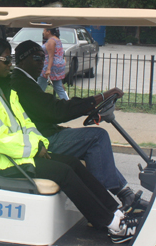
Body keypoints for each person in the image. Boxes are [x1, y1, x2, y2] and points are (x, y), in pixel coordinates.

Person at [0, 37, 141, 244]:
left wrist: (39, 143)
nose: (11, 65)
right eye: (6, 60)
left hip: (12, 157)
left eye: (11, 59)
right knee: (63, 172)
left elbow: (25, 123)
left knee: (70, 163)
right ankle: (113, 225)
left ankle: (115, 212)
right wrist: (35, 148)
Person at [10, 40, 148, 212]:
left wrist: (89, 105)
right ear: (22, 60)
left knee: (92, 144)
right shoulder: (22, 84)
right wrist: (98, 98)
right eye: (37, 58)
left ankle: (125, 195)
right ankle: (103, 203)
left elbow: (51, 109)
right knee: (97, 137)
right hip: (41, 142)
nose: (42, 63)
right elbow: (56, 111)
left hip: (44, 133)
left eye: (44, 58)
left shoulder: (25, 81)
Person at [37, 27, 69, 100]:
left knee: (40, 85)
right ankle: (67, 102)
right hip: (57, 66)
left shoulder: (51, 41)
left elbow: (51, 56)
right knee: (58, 87)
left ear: (49, 32)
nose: (43, 32)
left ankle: (36, 101)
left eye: (44, 30)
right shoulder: (57, 40)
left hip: (50, 66)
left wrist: (48, 69)